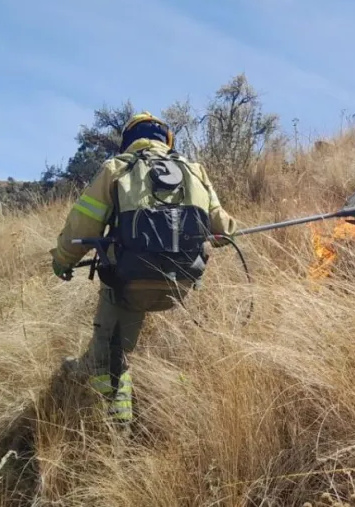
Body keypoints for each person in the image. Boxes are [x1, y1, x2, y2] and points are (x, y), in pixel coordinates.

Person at [49, 111, 238, 427]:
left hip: (128, 284)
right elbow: (225, 230)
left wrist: (63, 261)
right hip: (182, 284)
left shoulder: (116, 168)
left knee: (109, 357)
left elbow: (82, 225)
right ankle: (179, 410)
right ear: (166, 139)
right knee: (178, 350)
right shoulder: (195, 171)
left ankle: (112, 429)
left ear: (129, 139)